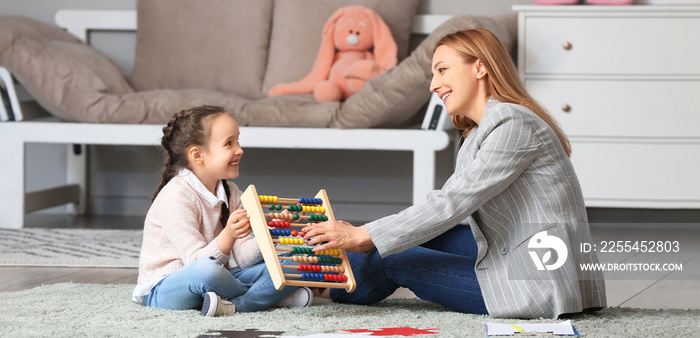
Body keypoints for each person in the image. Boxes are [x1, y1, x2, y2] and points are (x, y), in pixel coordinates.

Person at [303, 29, 606, 319]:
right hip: (520, 250)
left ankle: (321, 289)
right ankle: (322, 269)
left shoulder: (512, 123)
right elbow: (443, 213)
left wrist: (361, 234)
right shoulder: (479, 130)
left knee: (393, 257)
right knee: (411, 235)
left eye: (443, 70)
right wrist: (368, 235)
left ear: (480, 68)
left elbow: (451, 204)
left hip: (536, 279)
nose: (434, 85)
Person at [132, 105, 312, 317]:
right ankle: (270, 297)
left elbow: (244, 258)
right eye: (229, 143)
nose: (239, 150)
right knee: (207, 272)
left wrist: (272, 231)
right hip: (166, 286)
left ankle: (238, 303)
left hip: (220, 278)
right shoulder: (176, 196)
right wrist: (228, 234)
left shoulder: (232, 193)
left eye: (238, 141)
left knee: (298, 261)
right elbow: (196, 262)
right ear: (197, 155)